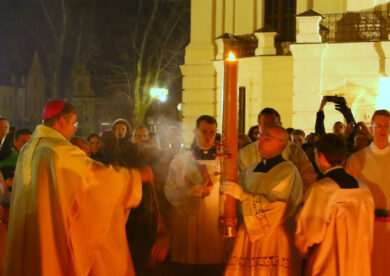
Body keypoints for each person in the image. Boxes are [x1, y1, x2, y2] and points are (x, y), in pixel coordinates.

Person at [4, 100, 152, 276]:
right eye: (74, 123)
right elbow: (95, 177)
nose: (75, 129)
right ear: (61, 121)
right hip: (50, 236)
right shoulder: (58, 150)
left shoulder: (29, 148)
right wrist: (135, 176)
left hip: (30, 234)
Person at [221, 125, 303, 275]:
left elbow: (277, 208)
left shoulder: (288, 171)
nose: (259, 139)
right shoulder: (249, 171)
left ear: (281, 143)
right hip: (247, 236)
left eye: (266, 137)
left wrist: (243, 196)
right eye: (260, 135)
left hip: (274, 239)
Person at [295, 134, 374, 275]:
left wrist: (303, 253)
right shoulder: (363, 188)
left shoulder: (322, 190)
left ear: (321, 156)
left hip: (328, 264)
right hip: (359, 264)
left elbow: (307, 234)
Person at [165, 115, 232, 276]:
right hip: (189, 218)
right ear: (195, 132)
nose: (208, 136)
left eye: (212, 132)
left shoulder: (223, 160)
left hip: (214, 219)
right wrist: (191, 191)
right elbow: (170, 188)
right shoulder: (182, 158)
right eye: (204, 132)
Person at [345, 109, 390, 276]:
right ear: (371, 129)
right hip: (366, 227)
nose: (383, 130)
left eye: (386, 126)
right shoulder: (357, 160)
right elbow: (348, 197)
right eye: (378, 126)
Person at [238, 108, 316, 192]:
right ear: (259, 127)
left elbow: (308, 176)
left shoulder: (294, 150)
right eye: (265, 124)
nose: (269, 128)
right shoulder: (246, 153)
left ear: (280, 124)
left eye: (273, 124)